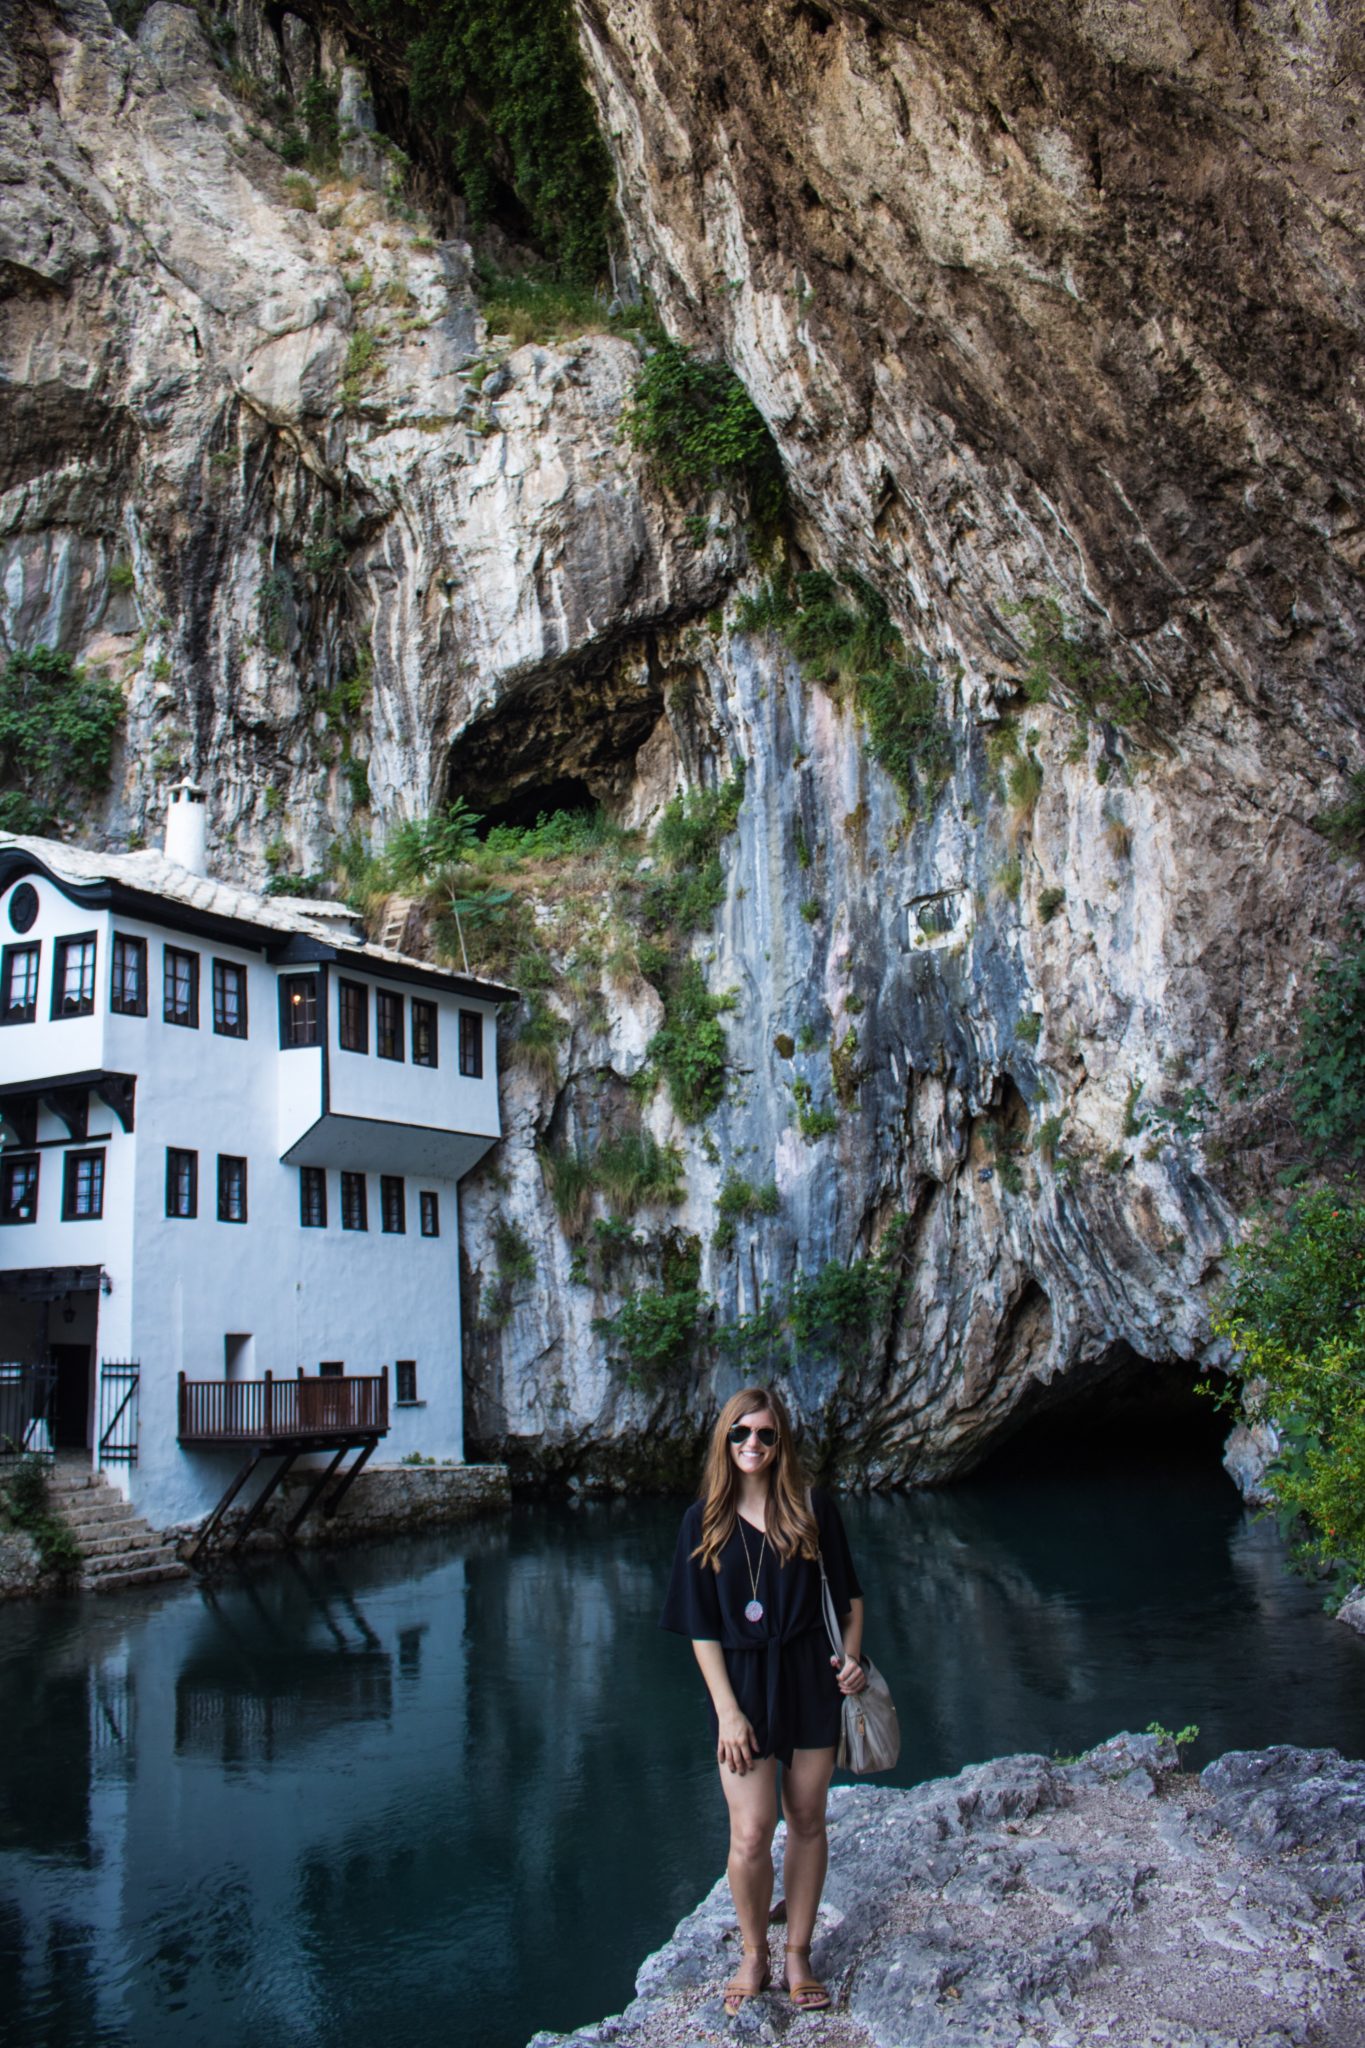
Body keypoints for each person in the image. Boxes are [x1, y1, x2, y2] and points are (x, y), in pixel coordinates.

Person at [660, 1384, 867, 2015]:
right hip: (742, 1686)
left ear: (781, 1442)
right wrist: (726, 1709)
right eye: (741, 1433)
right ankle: (754, 1953)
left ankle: (799, 1953)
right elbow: (700, 1629)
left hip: (810, 1675)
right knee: (751, 1833)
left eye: (766, 1434)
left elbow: (851, 1602)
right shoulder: (704, 1521)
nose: (753, 1443)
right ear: (725, 1440)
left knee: (807, 1819)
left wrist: (853, 1660)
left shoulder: (811, 1507)